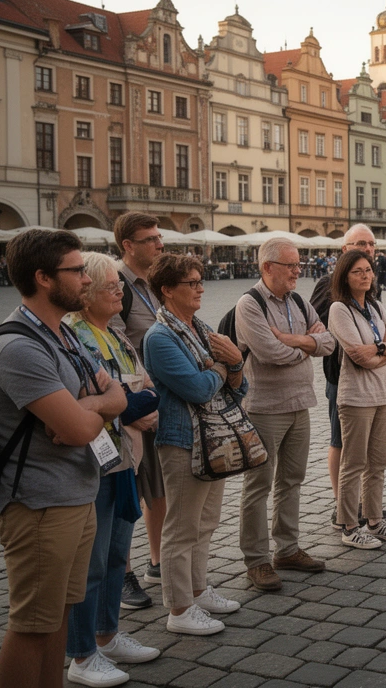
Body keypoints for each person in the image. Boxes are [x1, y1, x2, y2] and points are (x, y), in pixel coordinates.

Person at [0, 229, 127, 688]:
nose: (86, 279)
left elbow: (118, 396)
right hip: (39, 503)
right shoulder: (18, 347)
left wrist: (88, 405)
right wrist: (90, 408)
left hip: (74, 493)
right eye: (77, 270)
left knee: (59, 616)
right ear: (43, 278)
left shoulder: (63, 333)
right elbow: (83, 427)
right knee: (32, 625)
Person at [65, 252, 161, 686]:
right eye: (111, 287)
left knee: (118, 554)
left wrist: (128, 403)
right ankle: (82, 654)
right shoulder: (77, 339)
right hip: (97, 463)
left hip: (125, 458)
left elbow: (142, 389)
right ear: (85, 296)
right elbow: (99, 400)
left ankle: (108, 635)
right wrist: (128, 404)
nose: (120, 291)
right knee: (93, 562)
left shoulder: (115, 335)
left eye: (119, 286)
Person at [144, 254, 245, 635]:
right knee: (182, 527)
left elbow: (241, 385)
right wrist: (225, 366)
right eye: (192, 282)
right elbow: (199, 389)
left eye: (201, 280)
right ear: (168, 290)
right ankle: (179, 609)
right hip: (183, 439)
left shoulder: (200, 328)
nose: (201, 287)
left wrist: (232, 366)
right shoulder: (160, 337)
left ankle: (199, 589)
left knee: (206, 522)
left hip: (215, 435)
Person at [235, 237, 335, 591]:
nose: (298, 270)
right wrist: (306, 345)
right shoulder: (249, 304)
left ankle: (288, 548)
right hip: (264, 408)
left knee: (292, 479)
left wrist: (294, 342)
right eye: (291, 265)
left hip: (300, 404)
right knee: (258, 485)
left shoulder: (298, 300)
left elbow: (329, 342)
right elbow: (268, 353)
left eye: (298, 264)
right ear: (267, 267)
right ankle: (257, 560)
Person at [312, 225, 386, 528]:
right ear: (344, 249)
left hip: (373, 377)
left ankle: (366, 506)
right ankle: (342, 508)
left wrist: (378, 349)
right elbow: (320, 326)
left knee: (371, 452)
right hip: (341, 375)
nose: (369, 248)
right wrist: (367, 346)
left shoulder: (370, 288)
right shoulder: (329, 284)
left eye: (371, 244)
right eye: (361, 243)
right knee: (341, 441)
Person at [328, 249, 386, 549]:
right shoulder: (339, 309)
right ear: (345, 277)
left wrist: (379, 348)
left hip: (384, 394)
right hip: (356, 397)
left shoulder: (375, 306)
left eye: (368, 270)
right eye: (357, 271)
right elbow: (357, 355)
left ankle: (374, 520)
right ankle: (349, 525)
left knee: (378, 463)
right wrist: (385, 350)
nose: (365, 275)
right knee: (353, 463)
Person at [109, 212, 165, 606]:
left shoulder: (154, 284)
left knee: (160, 489)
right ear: (128, 245)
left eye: (159, 238)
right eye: (150, 239)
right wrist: (135, 403)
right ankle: (123, 573)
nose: (159, 245)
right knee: (130, 493)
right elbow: (112, 352)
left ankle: (158, 561)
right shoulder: (116, 287)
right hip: (133, 407)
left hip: (160, 402)